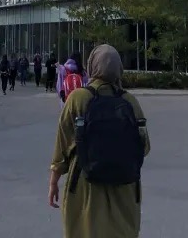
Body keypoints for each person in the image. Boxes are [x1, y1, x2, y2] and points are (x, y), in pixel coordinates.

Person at [49, 44, 149, 238]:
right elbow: (144, 147)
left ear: (92, 65)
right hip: (125, 185)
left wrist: (54, 182)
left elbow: (62, 146)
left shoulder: (78, 98)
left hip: (84, 185)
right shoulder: (130, 102)